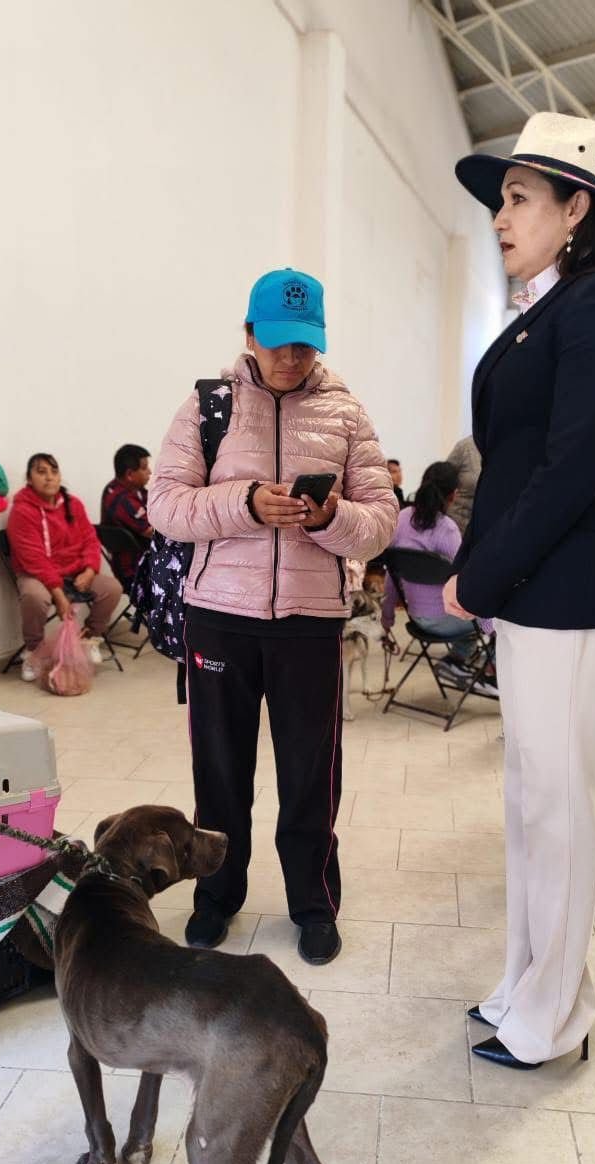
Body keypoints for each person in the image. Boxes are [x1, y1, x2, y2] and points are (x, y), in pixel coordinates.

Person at [447, 112, 595, 1069]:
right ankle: (526, 983)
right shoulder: (550, 307)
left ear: (578, 208)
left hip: (574, 595)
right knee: (532, 803)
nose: (500, 215)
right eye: (502, 199)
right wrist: (485, 571)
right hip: (538, 594)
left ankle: (555, 1014)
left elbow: (572, 469)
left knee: (558, 809)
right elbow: (512, 463)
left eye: (519, 197)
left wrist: (479, 577)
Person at [148, 268, 397, 964]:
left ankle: (314, 904)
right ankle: (216, 897)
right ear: (251, 334)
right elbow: (164, 505)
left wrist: (329, 517)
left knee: (310, 773)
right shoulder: (208, 407)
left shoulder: (346, 414)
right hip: (219, 618)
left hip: (311, 622)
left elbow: (379, 523)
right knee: (220, 771)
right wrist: (246, 502)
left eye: (305, 345)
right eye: (279, 342)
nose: (292, 358)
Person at [7, 454, 122, 679]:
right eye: (41, 472)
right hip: (36, 573)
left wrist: (89, 570)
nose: (49, 478)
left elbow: (90, 540)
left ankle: (87, 640)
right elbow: (35, 559)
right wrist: (59, 595)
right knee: (34, 596)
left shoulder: (73, 504)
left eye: (53, 471)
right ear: (29, 479)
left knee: (112, 589)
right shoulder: (22, 511)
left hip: (74, 570)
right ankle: (33, 651)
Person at [382, 461, 487, 684]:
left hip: (415, 619)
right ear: (454, 495)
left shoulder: (401, 519)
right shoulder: (446, 529)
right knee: (498, 616)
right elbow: (467, 581)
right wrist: (489, 625)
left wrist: (387, 617)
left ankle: (467, 661)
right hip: (446, 621)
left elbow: (390, 574)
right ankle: (457, 662)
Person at [100, 444, 153, 589]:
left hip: (145, 563)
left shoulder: (135, 490)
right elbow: (152, 531)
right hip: (135, 571)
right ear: (130, 474)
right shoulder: (122, 499)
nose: (150, 472)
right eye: (144, 468)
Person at [446, 435, 481, 536]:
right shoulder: (465, 447)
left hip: (485, 529)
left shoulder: (503, 450)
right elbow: (441, 478)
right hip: (456, 527)